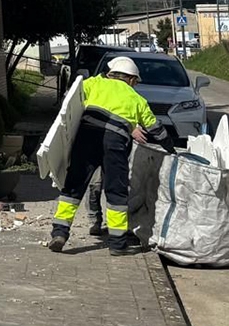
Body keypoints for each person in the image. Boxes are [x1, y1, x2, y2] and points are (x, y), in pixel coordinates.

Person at [49, 56, 173, 255]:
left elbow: (70, 104)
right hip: (115, 144)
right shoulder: (136, 99)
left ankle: (60, 233)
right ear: (131, 80)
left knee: (73, 186)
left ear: (111, 73)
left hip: (86, 138)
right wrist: (170, 148)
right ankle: (117, 244)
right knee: (116, 192)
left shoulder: (93, 83)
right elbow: (155, 129)